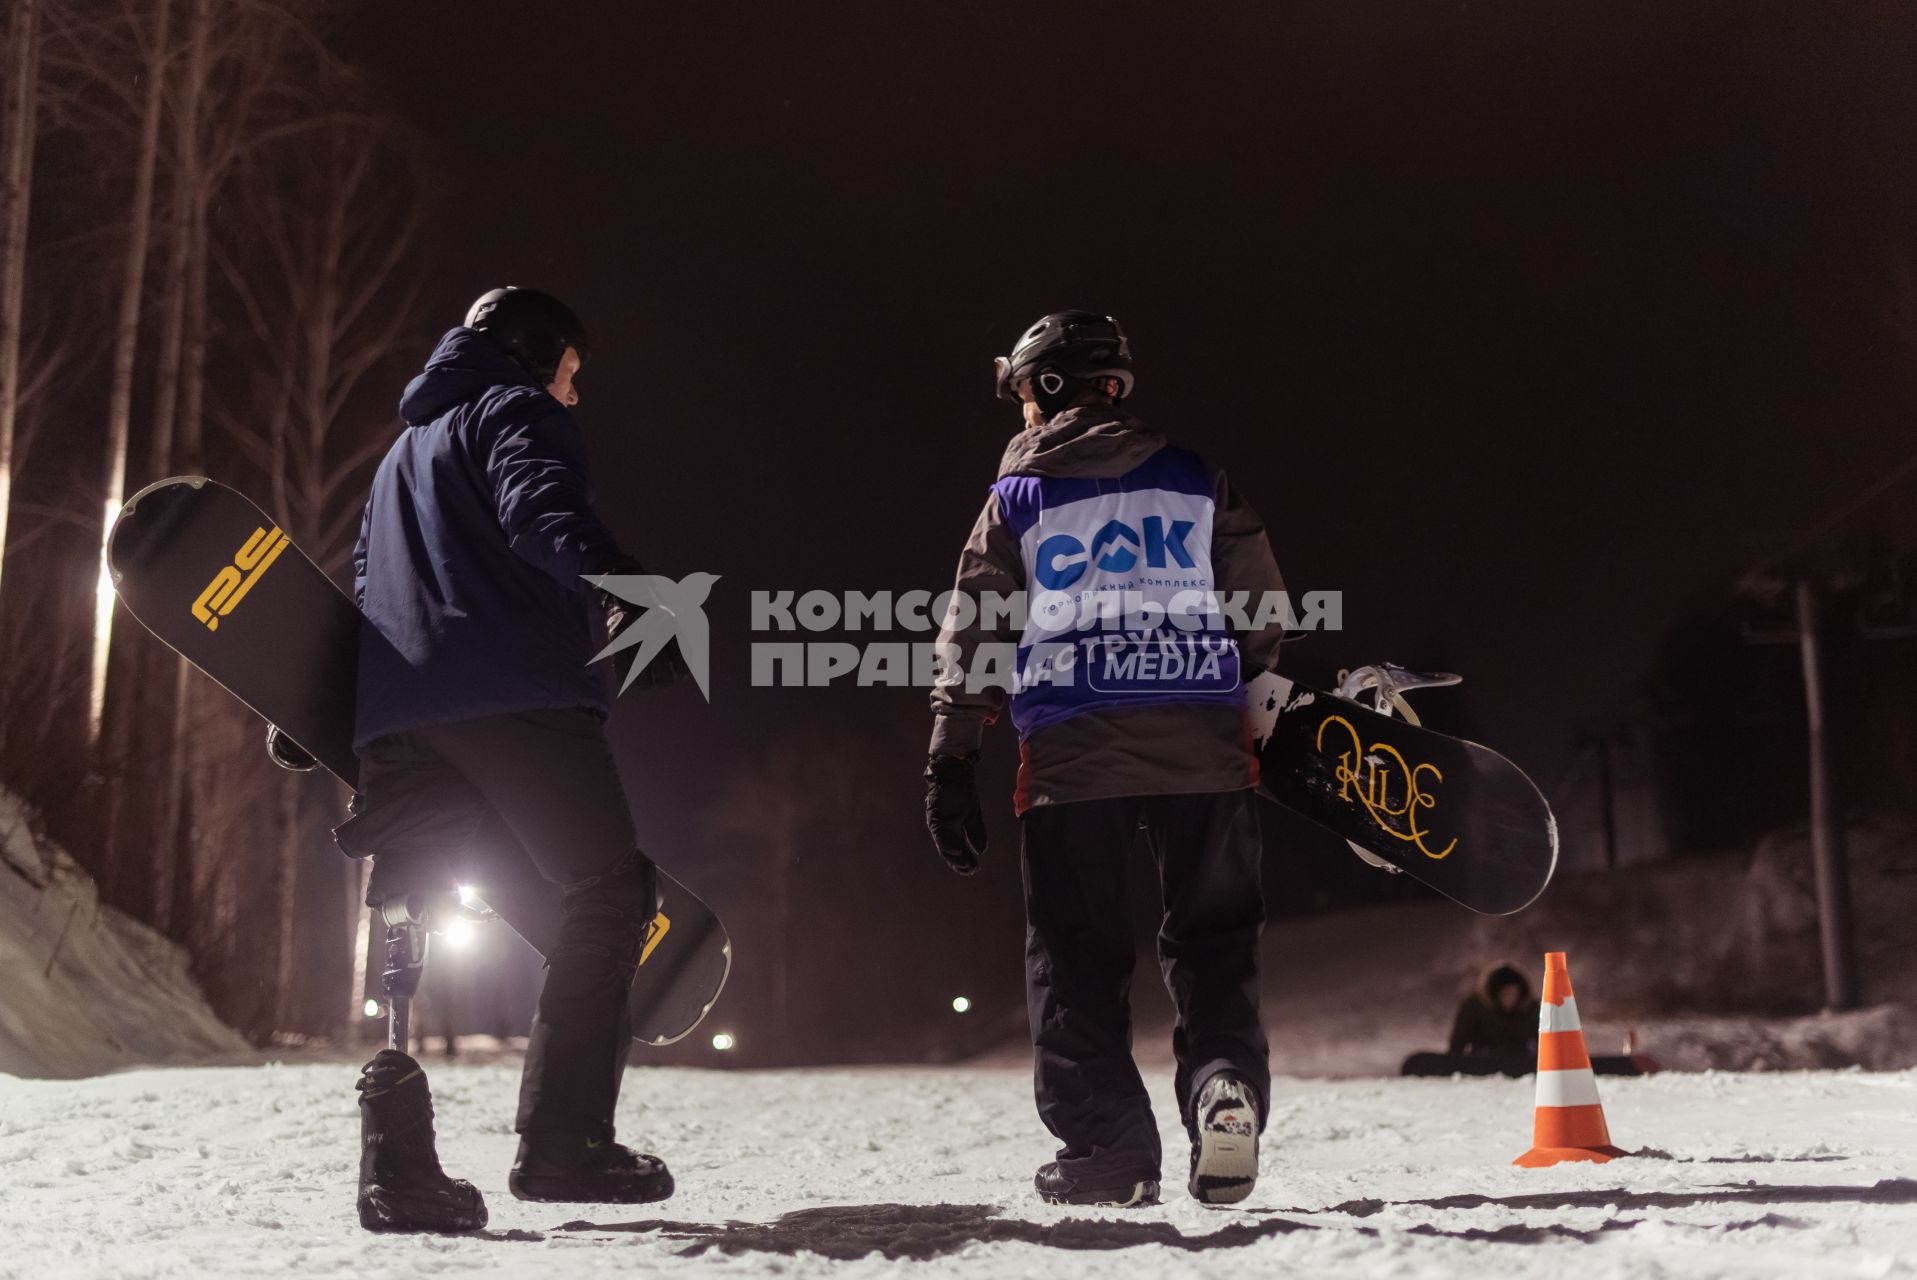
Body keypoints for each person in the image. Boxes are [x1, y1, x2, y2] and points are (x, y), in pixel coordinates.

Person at [336, 287, 684, 1233]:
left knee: (407, 905)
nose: (573, 396)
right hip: (511, 692)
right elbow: (539, 513)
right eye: (571, 373)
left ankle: (398, 1171)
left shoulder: (401, 455)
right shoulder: (513, 409)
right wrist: (634, 592)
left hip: (399, 716)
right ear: (537, 358)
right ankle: (563, 1144)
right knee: (611, 890)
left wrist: (335, 703)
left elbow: (367, 581)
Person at [923, 311, 1287, 1208]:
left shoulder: (1017, 498)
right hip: (1203, 749)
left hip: (1070, 759)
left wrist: (952, 752)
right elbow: (1261, 608)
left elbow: (977, 623)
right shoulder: (1198, 478)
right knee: (1212, 943)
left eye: (1020, 393)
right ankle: (1221, 1088)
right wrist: (1232, 688)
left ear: (1045, 388)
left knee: (1076, 958)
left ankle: (1109, 1152)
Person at [1447, 963, 1540, 1060]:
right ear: (1496, 993)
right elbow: (1458, 1042)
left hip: (1520, 1063)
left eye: (1513, 993)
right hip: (1482, 1063)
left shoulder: (1531, 1010)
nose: (1510, 998)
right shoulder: (1475, 1008)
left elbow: (1544, 1041)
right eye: (1506, 993)